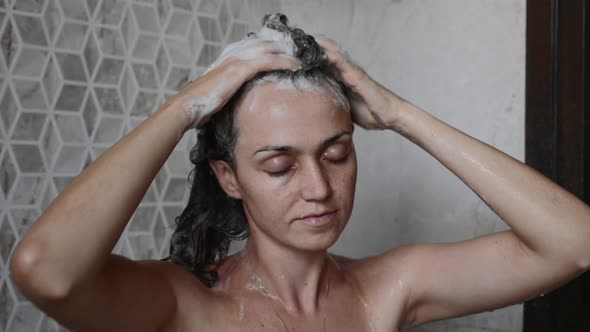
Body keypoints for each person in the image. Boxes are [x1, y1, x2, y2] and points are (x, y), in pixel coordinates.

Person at [9, 13, 590, 332]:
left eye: (336, 155)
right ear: (229, 178)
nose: (318, 188)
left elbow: (576, 242)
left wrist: (400, 114)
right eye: (279, 165)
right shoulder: (187, 306)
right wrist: (186, 107)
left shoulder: (387, 291)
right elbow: (45, 272)